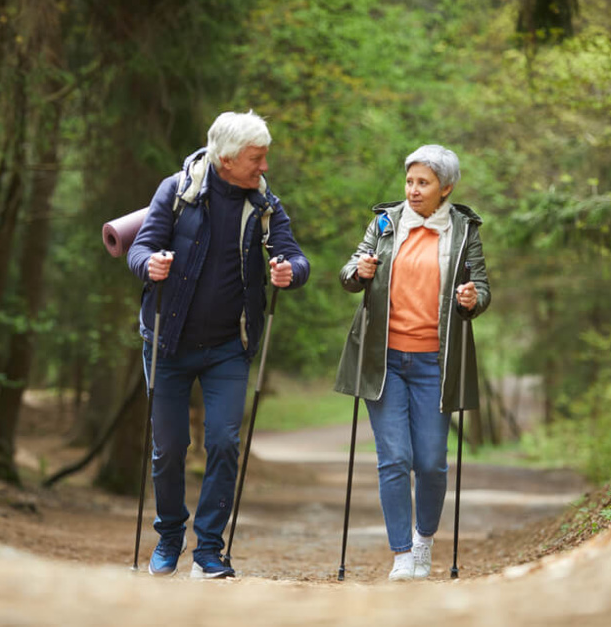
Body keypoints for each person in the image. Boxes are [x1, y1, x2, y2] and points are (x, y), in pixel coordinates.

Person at [128, 111, 310, 579]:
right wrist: (150, 265)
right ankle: (170, 537)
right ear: (226, 160)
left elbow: (295, 255)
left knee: (225, 442)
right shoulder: (177, 191)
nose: (264, 166)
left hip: (230, 344)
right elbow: (139, 248)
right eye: (256, 158)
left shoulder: (265, 204)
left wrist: (290, 271)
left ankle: (209, 549)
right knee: (169, 447)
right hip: (168, 342)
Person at [334, 144, 490, 581]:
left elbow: (481, 289)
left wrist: (472, 299)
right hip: (383, 361)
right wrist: (359, 271)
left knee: (431, 463)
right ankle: (402, 553)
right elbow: (349, 274)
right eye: (410, 182)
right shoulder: (385, 224)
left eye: (424, 183)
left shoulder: (463, 230)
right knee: (394, 458)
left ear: (446, 189)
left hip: (434, 364)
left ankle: (424, 540)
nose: (414, 190)